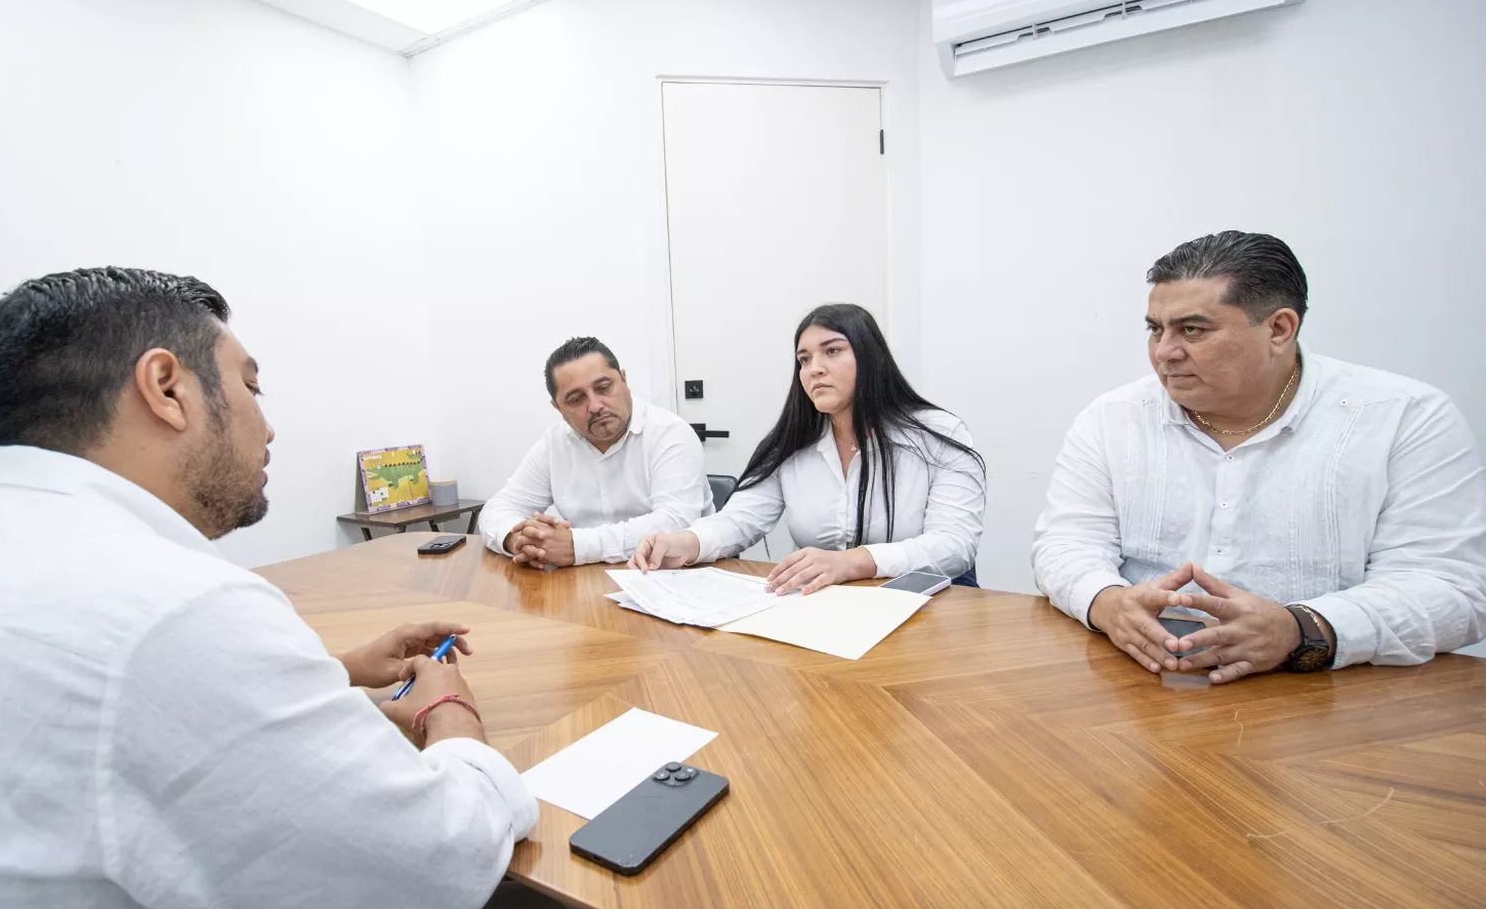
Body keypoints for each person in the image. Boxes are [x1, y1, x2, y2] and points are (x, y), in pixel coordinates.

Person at [0, 268, 580, 909]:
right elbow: (439, 859)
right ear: (167, 387)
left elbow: (92, 701)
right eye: (251, 387)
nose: (269, 426)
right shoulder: (166, 605)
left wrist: (337, 672)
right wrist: (448, 713)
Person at [1033, 231, 1486, 684]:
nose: (1165, 352)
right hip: (1138, 684)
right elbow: (1066, 545)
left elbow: (1449, 588)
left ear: (1278, 329)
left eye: (1192, 330)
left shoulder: (1404, 418)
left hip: (1331, 702)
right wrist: (1109, 602)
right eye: (1156, 329)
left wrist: (1300, 629)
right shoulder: (1114, 417)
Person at [630, 303, 985, 595]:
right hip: (828, 609)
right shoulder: (793, 444)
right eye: (803, 359)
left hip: (930, 610)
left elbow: (955, 546)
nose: (814, 369)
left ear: (870, 358)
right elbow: (738, 521)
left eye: (832, 351)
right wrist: (685, 544)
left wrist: (853, 561)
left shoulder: (939, 434)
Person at [477, 336, 713, 568]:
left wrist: (576, 547)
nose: (596, 406)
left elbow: (675, 522)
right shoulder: (555, 443)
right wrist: (519, 539)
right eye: (576, 398)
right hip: (584, 583)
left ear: (624, 380)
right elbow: (499, 507)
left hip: (669, 576)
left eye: (603, 387)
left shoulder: (670, 433)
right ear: (557, 407)